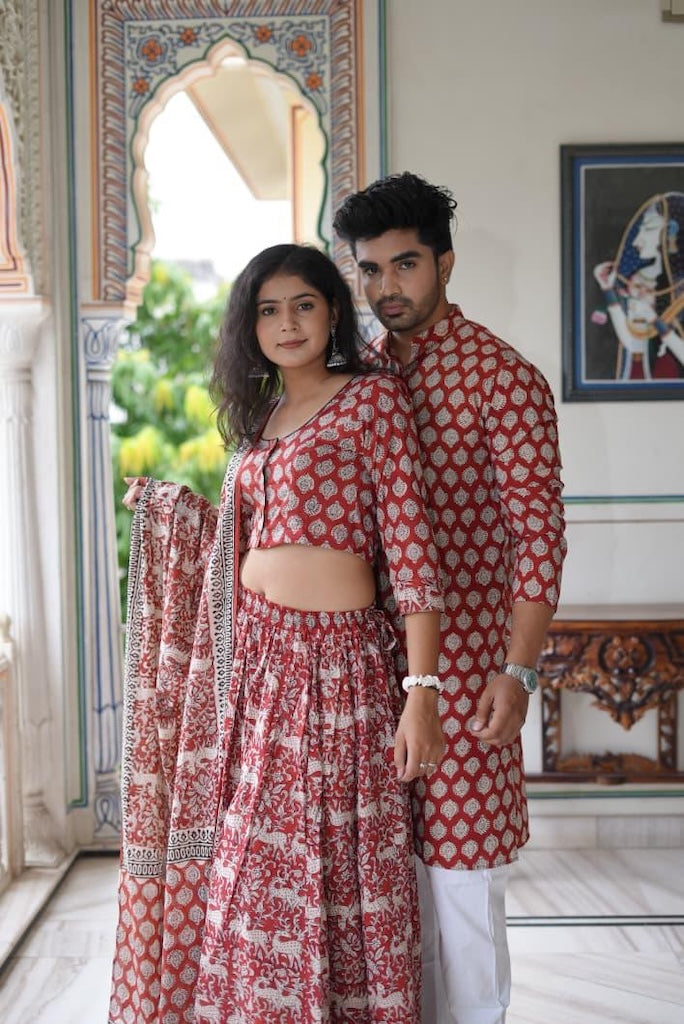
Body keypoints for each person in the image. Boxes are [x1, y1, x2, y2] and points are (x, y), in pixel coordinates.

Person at [109, 243, 446, 1024]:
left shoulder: (371, 403)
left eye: (303, 304)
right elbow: (245, 547)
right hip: (258, 671)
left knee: (340, 871)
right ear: (248, 325)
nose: (286, 323)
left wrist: (420, 694)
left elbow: (413, 554)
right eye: (268, 309)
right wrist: (169, 512)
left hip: (339, 674)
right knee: (251, 878)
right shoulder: (259, 421)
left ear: (332, 312)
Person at [333, 172, 567, 1024]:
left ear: (446, 264)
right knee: (384, 903)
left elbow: (540, 540)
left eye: (405, 266)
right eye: (369, 270)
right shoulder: (350, 382)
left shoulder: (503, 379)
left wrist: (520, 671)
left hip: (468, 683)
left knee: (462, 898)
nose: (386, 288)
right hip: (358, 680)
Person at [593, 190, 684, 381]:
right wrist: (608, 290)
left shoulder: (677, 287)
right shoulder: (640, 278)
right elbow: (631, 341)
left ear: (669, 235)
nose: (637, 240)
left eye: (648, 229)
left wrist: (654, 319)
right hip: (639, 375)